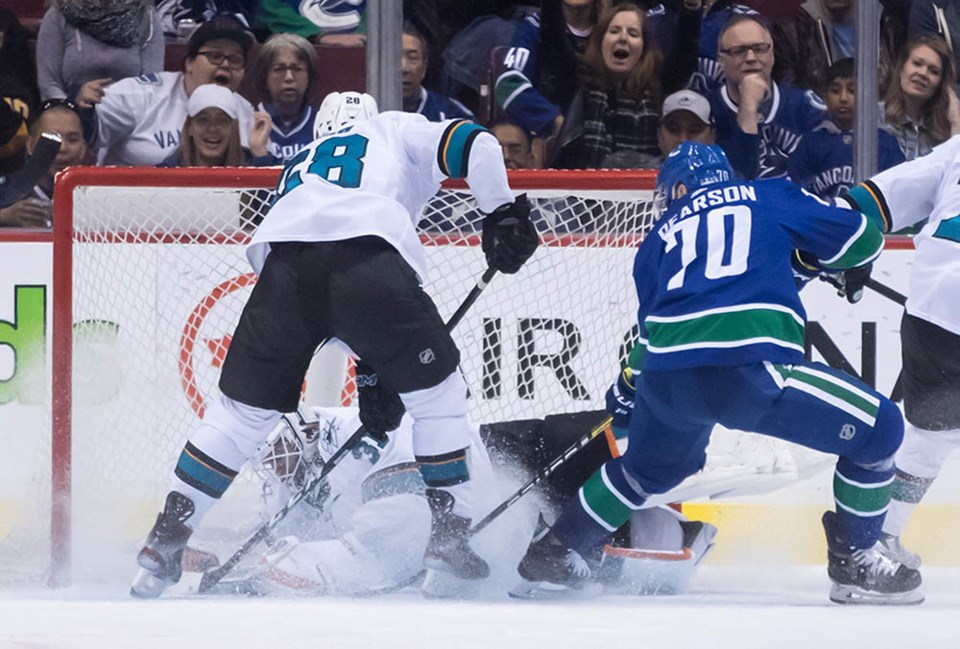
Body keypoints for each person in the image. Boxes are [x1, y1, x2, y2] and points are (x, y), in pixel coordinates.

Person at [129, 91, 539, 599]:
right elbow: (476, 142)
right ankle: (449, 535)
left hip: (282, 276)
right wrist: (501, 213)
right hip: (367, 261)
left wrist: (374, 374)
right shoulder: (390, 128)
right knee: (438, 399)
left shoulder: (299, 163)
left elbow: (327, 292)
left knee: (237, 417)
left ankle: (167, 535)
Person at [513, 142, 923, 606]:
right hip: (746, 372)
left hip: (668, 380)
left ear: (681, 188)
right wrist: (830, 260)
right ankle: (855, 559)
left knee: (645, 471)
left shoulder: (654, 242)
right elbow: (861, 238)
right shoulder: (768, 194)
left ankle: (556, 549)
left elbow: (650, 334)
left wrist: (628, 390)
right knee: (881, 429)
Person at [842, 134, 960, 577]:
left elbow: (873, 199)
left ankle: (877, 534)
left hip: (934, 303)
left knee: (935, 435)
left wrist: (846, 250)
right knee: (938, 434)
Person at [79, 12, 258, 166]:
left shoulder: (249, 115)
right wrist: (82, 109)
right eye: (215, 56)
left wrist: (261, 155)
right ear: (190, 63)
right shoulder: (142, 95)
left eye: (235, 59)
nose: (226, 64)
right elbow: (83, 132)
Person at [552, 1, 701, 168]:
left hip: (644, 189)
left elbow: (685, 52)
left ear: (644, 46)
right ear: (600, 40)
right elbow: (553, 40)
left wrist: (691, 9)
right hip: (580, 189)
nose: (623, 38)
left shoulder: (660, 84)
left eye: (633, 33)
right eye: (614, 31)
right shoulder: (578, 80)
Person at [707, 14, 828, 180]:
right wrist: (748, 108)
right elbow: (738, 180)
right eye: (739, 51)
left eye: (760, 49)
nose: (751, 58)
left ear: (772, 55)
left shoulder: (806, 108)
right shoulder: (707, 112)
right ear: (721, 61)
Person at [788, 58, 905, 199]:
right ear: (825, 98)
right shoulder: (811, 144)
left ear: (868, 96)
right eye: (836, 91)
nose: (843, 98)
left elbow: (899, 194)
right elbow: (797, 196)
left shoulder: (885, 144)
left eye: (852, 90)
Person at [494, 0, 603, 137]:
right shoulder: (534, 28)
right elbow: (508, 86)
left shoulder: (613, 29)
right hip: (548, 141)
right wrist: (552, 119)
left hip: (601, 133)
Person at [35, 0, 164, 103]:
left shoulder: (147, 17)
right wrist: (72, 109)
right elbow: (49, 85)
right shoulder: (58, 15)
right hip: (71, 118)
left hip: (129, 119)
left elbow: (151, 86)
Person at [0, 99, 86, 228]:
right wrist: (3, 216)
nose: (62, 148)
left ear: (83, 148)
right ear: (30, 145)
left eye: (72, 139)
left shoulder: (98, 197)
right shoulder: (5, 191)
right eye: (51, 139)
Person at [881, 35, 960, 161]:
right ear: (901, 67)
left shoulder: (943, 131)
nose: (923, 73)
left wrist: (956, 121)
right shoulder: (875, 117)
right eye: (917, 64)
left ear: (941, 83)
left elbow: (955, 173)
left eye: (933, 71)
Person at [157, 84, 273, 167]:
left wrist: (259, 151)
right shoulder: (166, 171)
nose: (212, 128)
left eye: (222, 120)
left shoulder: (251, 164)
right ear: (189, 128)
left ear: (233, 128)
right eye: (203, 120)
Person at [254, 33, 318, 163]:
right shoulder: (249, 120)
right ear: (264, 77)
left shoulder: (322, 123)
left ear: (309, 77)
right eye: (279, 69)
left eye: (297, 69)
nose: (289, 77)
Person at [402, 22, 474, 122]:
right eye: (395, 58)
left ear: (424, 66)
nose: (404, 68)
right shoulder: (372, 112)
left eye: (412, 57)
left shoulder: (451, 114)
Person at [657, 88, 715, 161]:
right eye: (673, 130)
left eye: (694, 130)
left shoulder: (727, 171)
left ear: (712, 137)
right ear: (659, 136)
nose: (683, 140)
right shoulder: (642, 170)